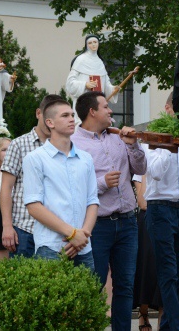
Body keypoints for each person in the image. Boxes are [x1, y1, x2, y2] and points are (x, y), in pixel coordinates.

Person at [71, 90, 147, 330]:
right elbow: (71, 185)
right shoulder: (73, 142)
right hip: (98, 226)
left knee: (125, 286)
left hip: (128, 223)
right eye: (106, 107)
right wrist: (103, 183)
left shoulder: (117, 137)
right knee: (94, 283)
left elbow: (141, 168)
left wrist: (133, 146)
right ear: (92, 111)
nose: (110, 110)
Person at [23, 99, 99, 269]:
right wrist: (72, 234)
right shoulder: (35, 159)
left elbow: (92, 201)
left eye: (72, 115)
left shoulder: (85, 159)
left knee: (87, 295)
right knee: (50, 296)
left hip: (83, 247)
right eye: (65, 116)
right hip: (51, 247)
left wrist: (82, 237)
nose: (72, 119)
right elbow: (34, 206)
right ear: (49, 122)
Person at [142, 93, 179, 331]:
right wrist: (167, 144)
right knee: (168, 273)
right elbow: (156, 172)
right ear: (167, 109)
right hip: (160, 207)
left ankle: (168, 327)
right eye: (178, 109)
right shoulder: (152, 138)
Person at [0, 94, 64, 257]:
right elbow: (6, 188)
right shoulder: (19, 144)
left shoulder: (64, 147)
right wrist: (7, 226)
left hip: (56, 230)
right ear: (38, 113)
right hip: (25, 229)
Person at [132, 175, 163, 331]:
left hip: (172, 218)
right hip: (148, 219)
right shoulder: (142, 167)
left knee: (168, 272)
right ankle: (143, 311)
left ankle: (164, 319)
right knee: (148, 269)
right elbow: (143, 203)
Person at [66, 34, 118, 125]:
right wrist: (85, 84)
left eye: (95, 42)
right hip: (84, 100)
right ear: (86, 45)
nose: (93, 45)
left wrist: (114, 89)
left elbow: (106, 84)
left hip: (97, 102)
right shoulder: (80, 60)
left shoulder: (100, 62)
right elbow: (70, 82)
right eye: (90, 43)